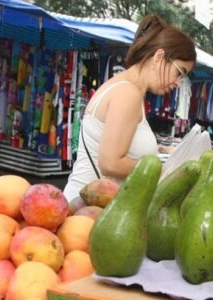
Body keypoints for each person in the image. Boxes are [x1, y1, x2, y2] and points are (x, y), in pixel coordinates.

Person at [62, 15, 196, 202]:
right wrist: (164, 172)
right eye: (179, 72)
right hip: (86, 212)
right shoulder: (128, 93)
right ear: (159, 57)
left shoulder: (122, 86)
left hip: (86, 206)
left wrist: (159, 153)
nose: (178, 83)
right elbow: (110, 163)